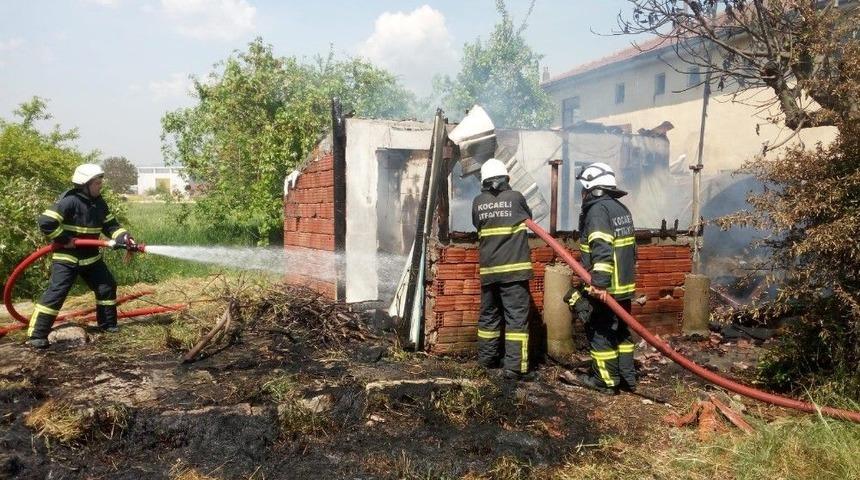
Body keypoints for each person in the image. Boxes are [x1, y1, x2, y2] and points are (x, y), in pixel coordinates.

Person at [27, 164, 135, 349]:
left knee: (106, 287)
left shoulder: (99, 203)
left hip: (91, 257)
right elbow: (46, 221)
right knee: (57, 293)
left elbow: (112, 226)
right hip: (67, 258)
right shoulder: (70, 201)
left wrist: (124, 238)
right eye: (97, 183)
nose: (100, 185)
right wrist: (64, 239)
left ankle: (107, 324)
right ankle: (37, 334)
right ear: (85, 184)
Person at [564, 162, 637, 394]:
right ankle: (626, 378)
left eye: (583, 189)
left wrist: (599, 284)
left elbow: (601, 248)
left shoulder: (597, 211)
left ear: (591, 188)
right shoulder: (620, 209)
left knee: (601, 332)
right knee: (621, 333)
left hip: (607, 288)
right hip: (623, 285)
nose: (582, 195)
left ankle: (605, 381)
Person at [471, 158, 535, 381]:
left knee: (489, 316)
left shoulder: (478, 202)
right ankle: (514, 367)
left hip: (489, 271)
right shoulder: (516, 197)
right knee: (516, 319)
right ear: (506, 178)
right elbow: (530, 217)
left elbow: (477, 224)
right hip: (514, 272)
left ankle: (487, 361)